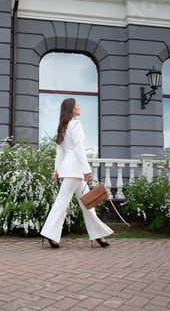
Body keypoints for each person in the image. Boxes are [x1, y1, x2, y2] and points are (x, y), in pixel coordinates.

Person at [40, 98, 113, 248]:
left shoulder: (63, 126)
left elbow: (60, 151)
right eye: (77, 105)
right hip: (75, 170)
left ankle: (98, 235)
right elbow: (79, 149)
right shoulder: (76, 124)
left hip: (72, 170)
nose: (80, 107)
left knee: (88, 202)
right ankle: (49, 233)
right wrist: (88, 170)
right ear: (72, 109)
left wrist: (57, 169)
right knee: (62, 201)